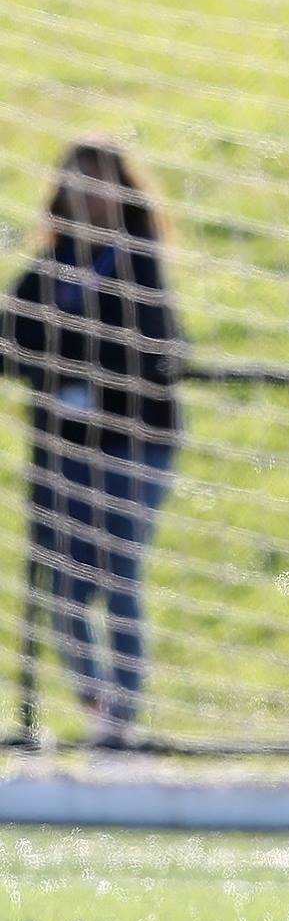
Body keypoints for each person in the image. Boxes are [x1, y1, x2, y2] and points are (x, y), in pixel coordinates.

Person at [2, 139, 182, 748]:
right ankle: (97, 704)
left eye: (96, 180)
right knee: (67, 584)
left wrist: (70, 361)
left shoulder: (137, 262)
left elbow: (151, 349)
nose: (85, 193)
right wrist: (57, 366)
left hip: (135, 442)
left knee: (118, 573)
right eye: (74, 180)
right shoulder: (50, 267)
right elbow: (11, 337)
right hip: (66, 447)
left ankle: (122, 721)